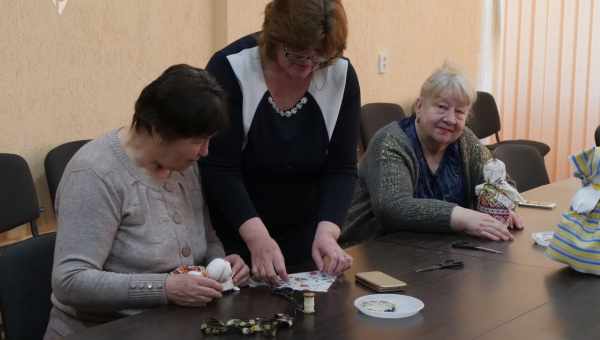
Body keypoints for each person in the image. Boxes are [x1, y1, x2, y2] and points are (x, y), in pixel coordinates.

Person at [44, 64, 250, 340]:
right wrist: (164, 288)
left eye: (208, 140)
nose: (205, 151)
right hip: (101, 331)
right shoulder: (94, 174)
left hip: (172, 325)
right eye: (197, 141)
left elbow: (207, 238)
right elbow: (70, 281)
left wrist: (220, 265)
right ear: (157, 129)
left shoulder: (184, 165)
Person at [201, 0, 360, 284]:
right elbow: (219, 167)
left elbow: (342, 168)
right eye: (296, 56)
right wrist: (256, 236)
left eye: (319, 59)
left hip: (306, 239)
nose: (308, 68)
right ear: (274, 38)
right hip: (238, 234)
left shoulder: (341, 74)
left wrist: (328, 231)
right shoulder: (231, 68)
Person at [343, 65, 524, 245]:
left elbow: (501, 182)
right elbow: (393, 208)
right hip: (370, 252)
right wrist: (464, 217)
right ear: (419, 106)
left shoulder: (465, 140)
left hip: (433, 251)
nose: (450, 119)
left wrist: (499, 207)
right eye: (441, 107)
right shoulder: (390, 141)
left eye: (459, 112)